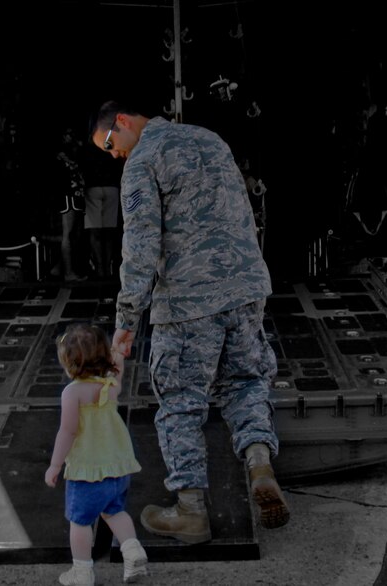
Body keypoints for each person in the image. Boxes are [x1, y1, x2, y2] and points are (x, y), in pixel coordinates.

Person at [89, 100, 290, 544]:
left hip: (188, 301)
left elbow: (141, 245)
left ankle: (190, 511)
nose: (113, 154)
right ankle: (259, 464)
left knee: (180, 402)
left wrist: (126, 319)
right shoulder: (209, 140)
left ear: (121, 121)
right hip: (246, 289)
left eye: (109, 144)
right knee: (245, 382)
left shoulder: (142, 162)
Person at [45, 324, 148, 585]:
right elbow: (119, 369)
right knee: (115, 512)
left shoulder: (72, 393)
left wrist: (55, 465)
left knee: (79, 522)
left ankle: (82, 572)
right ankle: (132, 551)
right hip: (118, 467)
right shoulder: (110, 385)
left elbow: (67, 432)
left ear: (70, 364)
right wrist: (118, 353)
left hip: (88, 471)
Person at [80, 145, 124, 278]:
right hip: (111, 186)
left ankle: (99, 267)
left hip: (92, 187)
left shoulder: (88, 149)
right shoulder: (112, 145)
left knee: (95, 231)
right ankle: (108, 266)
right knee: (109, 231)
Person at [51, 128, 87, 281]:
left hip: (76, 195)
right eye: (68, 134)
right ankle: (68, 273)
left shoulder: (73, 152)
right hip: (68, 196)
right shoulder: (61, 155)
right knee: (68, 233)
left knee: (75, 233)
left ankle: (59, 268)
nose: (71, 137)